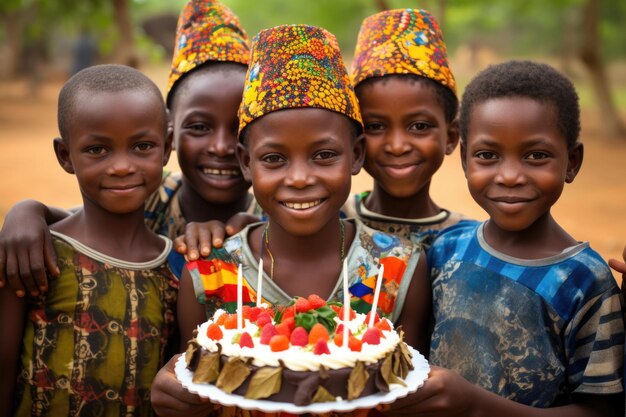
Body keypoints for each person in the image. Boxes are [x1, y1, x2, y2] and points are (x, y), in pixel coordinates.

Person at [150, 24, 432, 417]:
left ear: (356, 155)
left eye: (323, 155)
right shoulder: (209, 272)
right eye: (274, 159)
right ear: (246, 163)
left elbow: (406, 393)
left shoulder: (398, 270)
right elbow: (197, 384)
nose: (299, 178)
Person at [386, 60, 626, 416]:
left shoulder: (586, 283)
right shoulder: (446, 248)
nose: (510, 175)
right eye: (488, 155)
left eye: (536, 156)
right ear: (466, 160)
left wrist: (474, 405)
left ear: (571, 161)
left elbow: (601, 411)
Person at [0, 0, 260, 297]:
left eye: (239, 128)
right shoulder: (152, 194)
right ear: (169, 134)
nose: (222, 146)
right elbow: (78, 221)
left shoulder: (270, 213)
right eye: (199, 127)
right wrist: (28, 212)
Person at [0, 64, 179, 416]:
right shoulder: (38, 252)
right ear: (66, 156)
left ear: (167, 148)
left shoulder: (174, 267)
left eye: (142, 146)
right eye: (98, 150)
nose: (122, 166)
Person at [344, 8, 464, 249]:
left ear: (450, 137)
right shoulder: (331, 223)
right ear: (355, 139)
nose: (397, 146)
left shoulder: (465, 243)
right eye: (376, 126)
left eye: (419, 126)